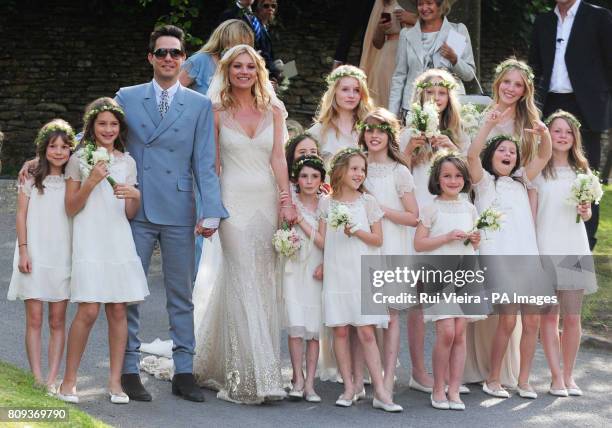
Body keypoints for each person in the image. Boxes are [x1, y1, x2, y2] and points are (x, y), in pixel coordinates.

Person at [115, 25, 227, 403]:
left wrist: (211, 211)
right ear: (150, 57)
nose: (168, 59)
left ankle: (184, 371)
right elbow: (94, 139)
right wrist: (47, 159)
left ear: (184, 58)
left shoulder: (199, 105)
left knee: (182, 295)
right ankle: (128, 370)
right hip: (136, 208)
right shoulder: (126, 97)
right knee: (130, 293)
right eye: (161, 52)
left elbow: (205, 164)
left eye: (175, 53)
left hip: (181, 210)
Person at [193, 44, 296, 404]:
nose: (243, 72)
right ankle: (251, 377)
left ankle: (244, 363)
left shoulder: (274, 110)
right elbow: (213, 166)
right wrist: (208, 210)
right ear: (227, 70)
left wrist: (287, 202)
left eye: (249, 66)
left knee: (263, 283)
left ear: (258, 71)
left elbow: (279, 160)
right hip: (232, 203)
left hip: (266, 202)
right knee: (241, 279)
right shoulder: (216, 112)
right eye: (236, 66)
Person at [58, 98, 149, 404]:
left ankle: (114, 383)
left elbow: (130, 213)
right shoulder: (78, 160)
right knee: (88, 309)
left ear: (120, 128)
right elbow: (71, 207)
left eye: (113, 124)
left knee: (119, 309)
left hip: (117, 237)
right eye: (102, 124)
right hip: (90, 236)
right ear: (92, 126)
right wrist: (92, 181)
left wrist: (135, 195)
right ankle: (69, 381)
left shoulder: (127, 162)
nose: (108, 129)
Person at [463, 58, 542, 390]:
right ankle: (476, 369)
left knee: (514, 302)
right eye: (507, 82)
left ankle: (506, 373)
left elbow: (534, 169)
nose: (511, 88)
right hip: (484, 194)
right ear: (497, 83)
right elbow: (471, 155)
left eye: (518, 84)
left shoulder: (529, 121)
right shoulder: (482, 115)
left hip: (518, 200)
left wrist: (531, 222)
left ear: (526, 90)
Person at [317, 147, 402, 412]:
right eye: (354, 168)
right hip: (338, 270)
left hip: (363, 270)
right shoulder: (326, 203)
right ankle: (349, 387)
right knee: (340, 330)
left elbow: (378, 239)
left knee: (366, 331)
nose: (359, 174)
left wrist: (356, 232)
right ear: (340, 170)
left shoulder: (368, 202)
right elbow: (322, 238)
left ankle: (380, 391)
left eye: (362, 170)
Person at [399, 68, 467, 394]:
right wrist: (411, 148)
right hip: (421, 221)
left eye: (442, 93)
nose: (436, 99)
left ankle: (450, 377)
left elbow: (467, 176)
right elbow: (397, 173)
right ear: (420, 97)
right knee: (419, 301)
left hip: (449, 222)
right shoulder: (409, 131)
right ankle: (419, 371)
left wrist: (450, 146)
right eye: (430, 93)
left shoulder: (456, 131)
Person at [529, 0, 612, 249]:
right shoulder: (543, 21)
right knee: (546, 172)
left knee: (586, 176)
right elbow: (535, 66)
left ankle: (585, 244)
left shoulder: (600, 17)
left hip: (587, 108)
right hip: (549, 105)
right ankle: (545, 240)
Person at [179, 18, 253, 270]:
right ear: (227, 39)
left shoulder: (241, 68)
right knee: (205, 205)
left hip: (233, 140)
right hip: (201, 140)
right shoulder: (200, 61)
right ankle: (201, 272)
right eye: (241, 43)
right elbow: (173, 91)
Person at [7, 120, 75, 395]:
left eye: (64, 146)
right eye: (52, 146)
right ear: (43, 148)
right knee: (34, 319)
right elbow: (21, 215)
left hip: (63, 255)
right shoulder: (31, 177)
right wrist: (23, 250)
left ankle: (52, 378)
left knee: (57, 320)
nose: (58, 151)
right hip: (33, 252)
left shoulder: (74, 178)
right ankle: (36, 377)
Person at [536, 110, 598, 397]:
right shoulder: (538, 170)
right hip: (545, 247)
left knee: (572, 317)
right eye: (557, 130)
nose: (562, 136)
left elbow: (585, 216)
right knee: (549, 316)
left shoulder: (583, 171)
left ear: (575, 137)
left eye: (567, 131)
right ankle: (556, 377)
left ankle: (570, 375)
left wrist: (585, 211)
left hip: (573, 248)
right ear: (548, 134)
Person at [413, 152, 482, 411]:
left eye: (458, 176)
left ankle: (455, 388)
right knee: (447, 332)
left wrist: (475, 241)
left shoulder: (469, 207)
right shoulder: (431, 208)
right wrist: (445, 237)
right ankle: (438, 387)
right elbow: (419, 244)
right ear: (437, 179)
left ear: (465, 179)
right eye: (447, 176)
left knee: (460, 333)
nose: (453, 181)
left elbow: (474, 243)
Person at [359, 108, 418, 398]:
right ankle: (366, 376)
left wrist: (380, 209)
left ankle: (389, 374)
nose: (374, 135)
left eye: (380, 130)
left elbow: (413, 216)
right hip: (363, 244)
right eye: (369, 130)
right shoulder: (357, 166)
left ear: (389, 135)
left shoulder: (399, 171)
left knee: (391, 316)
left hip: (393, 243)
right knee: (366, 316)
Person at [283, 154, 326, 403]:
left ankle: (310, 383)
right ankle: (297, 378)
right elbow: (283, 231)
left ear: (321, 179)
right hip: (293, 268)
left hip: (314, 270)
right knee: (296, 327)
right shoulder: (291, 203)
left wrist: (301, 221)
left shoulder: (325, 205)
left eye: (314, 176)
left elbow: (323, 241)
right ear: (297, 179)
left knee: (313, 330)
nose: (309, 181)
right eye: (304, 176)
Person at [388, 0, 475, 119]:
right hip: (413, 108)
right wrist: (392, 115)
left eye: (429, 3)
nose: (424, 8)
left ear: (441, 5)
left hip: (448, 110)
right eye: (420, 4)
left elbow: (469, 75)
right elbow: (399, 77)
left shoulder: (457, 31)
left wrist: (454, 59)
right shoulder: (406, 35)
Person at [308, 65, 373, 167]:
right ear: (334, 92)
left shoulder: (369, 128)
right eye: (345, 89)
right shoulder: (319, 130)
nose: (351, 95)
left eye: (357, 90)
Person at [360, 0, 418, 106]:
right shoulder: (386, 5)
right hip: (389, 56)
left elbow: (435, 24)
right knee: (385, 95)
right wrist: (380, 28)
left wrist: (413, 19)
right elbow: (377, 44)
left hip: (414, 53)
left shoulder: (422, 5)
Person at [179, 19, 254, 95]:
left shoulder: (245, 68)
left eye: (246, 46)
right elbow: (172, 93)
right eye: (239, 44)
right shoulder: (200, 60)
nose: (242, 50)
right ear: (225, 39)